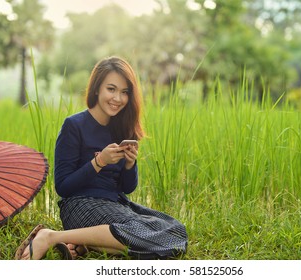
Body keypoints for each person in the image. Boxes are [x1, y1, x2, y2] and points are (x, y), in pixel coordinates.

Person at [15, 56, 188, 260]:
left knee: (176, 232)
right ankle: (50, 237)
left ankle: (88, 244)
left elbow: (127, 188)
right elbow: (63, 187)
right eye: (111, 89)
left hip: (116, 206)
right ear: (97, 88)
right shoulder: (73, 126)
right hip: (80, 206)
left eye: (124, 92)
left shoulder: (121, 129)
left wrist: (130, 164)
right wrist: (99, 162)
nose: (118, 98)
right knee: (146, 236)